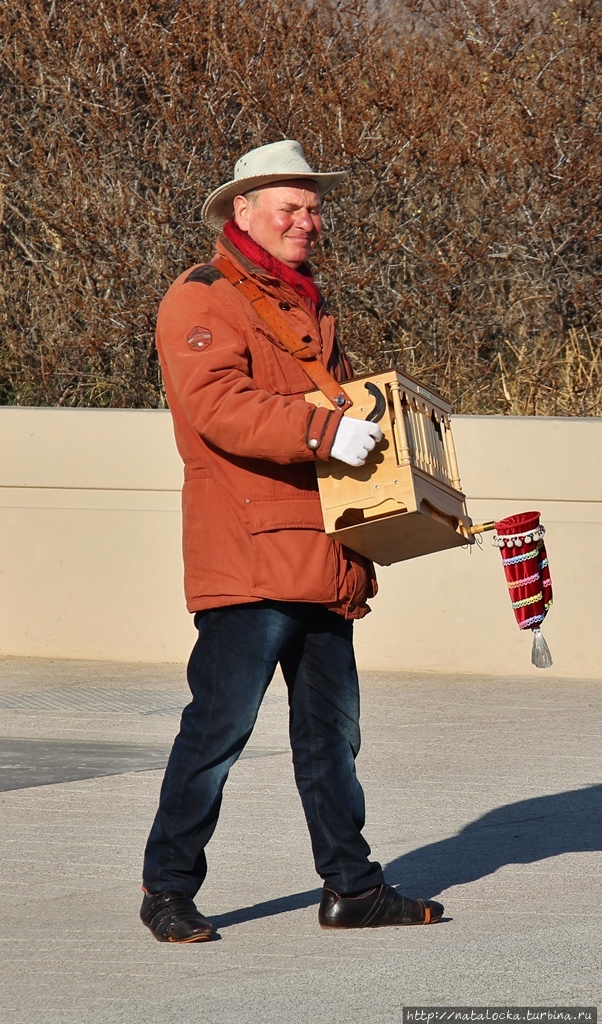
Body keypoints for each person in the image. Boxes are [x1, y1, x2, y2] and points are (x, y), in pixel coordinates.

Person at [140, 140, 443, 942]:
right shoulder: (202, 298)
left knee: (331, 740)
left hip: (319, 553)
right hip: (248, 556)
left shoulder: (301, 301)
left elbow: (339, 419)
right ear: (243, 212)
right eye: (291, 206)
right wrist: (322, 432)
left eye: (313, 208)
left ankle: (352, 888)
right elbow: (218, 405)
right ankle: (167, 890)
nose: (308, 220)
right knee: (217, 733)